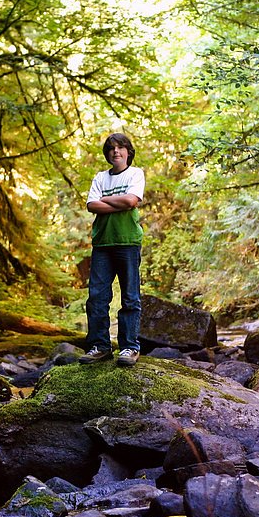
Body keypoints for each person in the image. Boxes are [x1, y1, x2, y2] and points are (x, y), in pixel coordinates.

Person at [79, 132, 145, 366]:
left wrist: (106, 202)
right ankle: (100, 346)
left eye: (120, 147)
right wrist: (121, 201)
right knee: (96, 298)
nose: (116, 151)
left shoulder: (136, 174)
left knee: (130, 297)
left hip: (128, 242)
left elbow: (131, 202)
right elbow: (91, 205)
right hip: (103, 244)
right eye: (111, 148)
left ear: (128, 152)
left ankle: (129, 347)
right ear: (107, 154)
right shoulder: (100, 177)